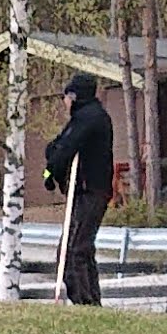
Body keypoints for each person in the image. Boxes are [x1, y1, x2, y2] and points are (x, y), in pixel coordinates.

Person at [41, 74, 120, 307]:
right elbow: (55, 146)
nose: (64, 102)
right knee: (81, 248)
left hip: (89, 191)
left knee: (74, 249)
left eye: (66, 97)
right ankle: (90, 300)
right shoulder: (85, 118)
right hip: (87, 191)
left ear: (74, 96)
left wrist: (50, 173)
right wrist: (51, 168)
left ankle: (85, 302)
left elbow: (63, 149)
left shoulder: (88, 119)